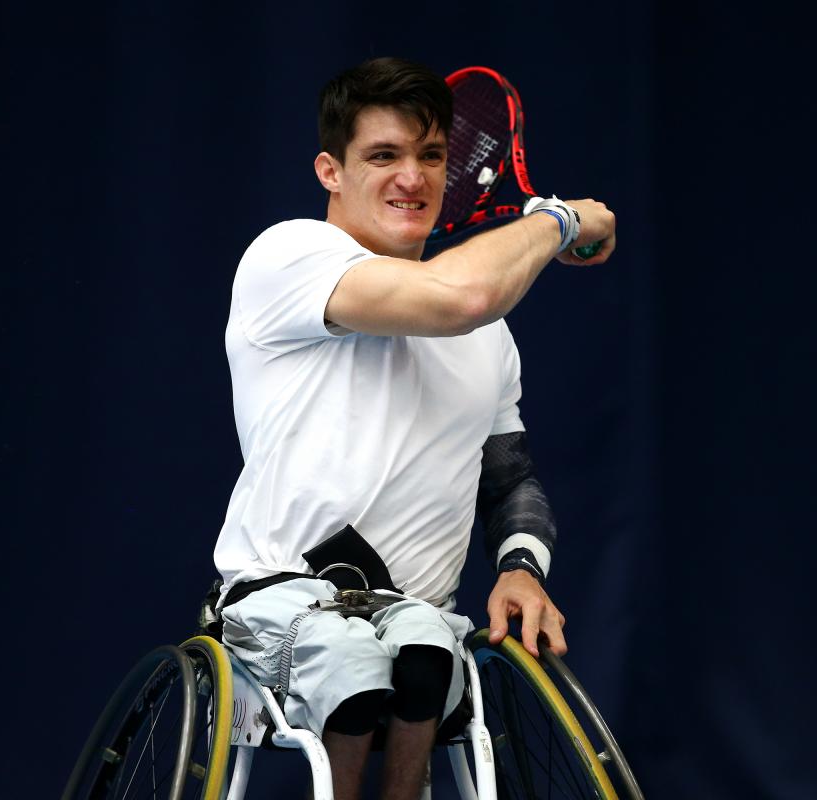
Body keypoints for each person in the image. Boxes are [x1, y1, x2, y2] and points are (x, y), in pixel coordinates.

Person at [213, 57, 615, 800]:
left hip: (419, 621)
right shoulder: (289, 257)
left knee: (425, 658)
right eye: (384, 156)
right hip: (283, 607)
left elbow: (510, 478)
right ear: (330, 171)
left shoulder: (489, 338)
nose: (414, 177)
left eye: (432, 156)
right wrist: (559, 219)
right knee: (358, 670)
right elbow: (461, 294)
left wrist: (522, 568)